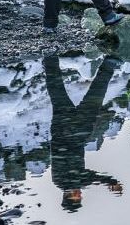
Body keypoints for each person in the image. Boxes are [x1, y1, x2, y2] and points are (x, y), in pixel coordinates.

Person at [44, 55, 123, 211]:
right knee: (57, 91)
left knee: (95, 96)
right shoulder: (62, 182)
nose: (80, 195)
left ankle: (108, 64)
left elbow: (90, 178)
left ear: (68, 197)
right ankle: (50, 58)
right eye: (79, 198)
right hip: (61, 130)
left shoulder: (69, 182)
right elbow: (90, 178)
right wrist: (108, 182)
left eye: (76, 198)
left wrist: (109, 182)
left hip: (76, 132)